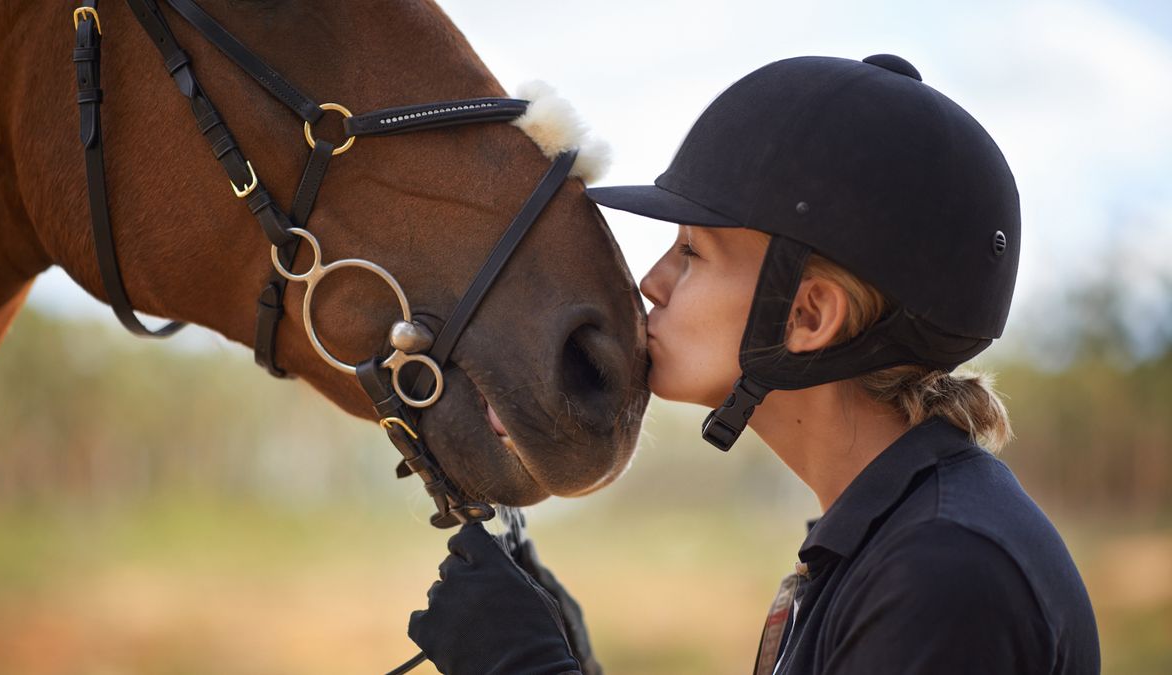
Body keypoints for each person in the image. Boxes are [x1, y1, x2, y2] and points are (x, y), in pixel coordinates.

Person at [405, 54, 1100, 674]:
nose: (652, 281)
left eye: (692, 253)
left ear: (807, 316)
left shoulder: (944, 573)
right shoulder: (894, 543)